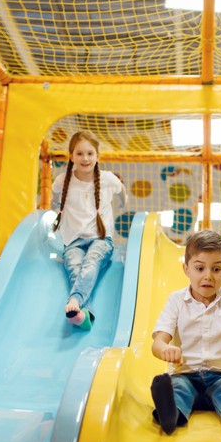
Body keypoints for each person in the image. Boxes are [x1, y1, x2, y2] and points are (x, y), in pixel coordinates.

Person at [150, 230, 221, 435]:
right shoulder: (176, 300)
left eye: (216, 269)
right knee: (178, 390)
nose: (208, 276)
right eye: (200, 268)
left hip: (220, 375)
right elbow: (157, 343)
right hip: (185, 373)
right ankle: (169, 415)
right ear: (186, 269)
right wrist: (166, 350)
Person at [51, 130, 126, 330]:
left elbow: (122, 192)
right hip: (73, 241)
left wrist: (121, 204)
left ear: (97, 156)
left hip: (102, 240)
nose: (85, 158)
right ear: (71, 156)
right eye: (80, 153)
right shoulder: (61, 181)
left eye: (90, 153)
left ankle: (75, 300)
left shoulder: (108, 179)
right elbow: (55, 200)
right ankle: (85, 316)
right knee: (75, 267)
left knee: (90, 262)